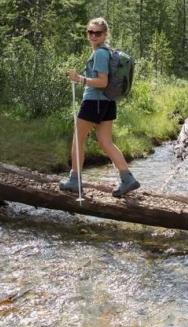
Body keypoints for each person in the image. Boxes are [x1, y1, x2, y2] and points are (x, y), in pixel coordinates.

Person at [60, 17, 141, 198]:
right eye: (90, 32)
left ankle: (74, 180)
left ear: (105, 34)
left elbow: (102, 81)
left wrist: (80, 79)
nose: (93, 36)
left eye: (97, 33)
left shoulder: (99, 54)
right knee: (105, 142)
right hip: (108, 102)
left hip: (94, 101)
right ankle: (127, 178)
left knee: (78, 139)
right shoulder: (107, 52)